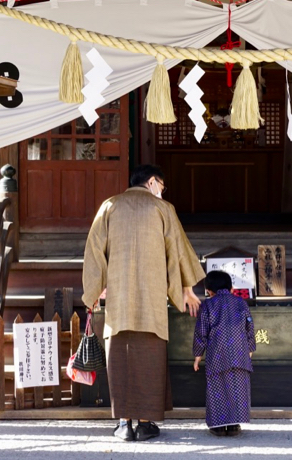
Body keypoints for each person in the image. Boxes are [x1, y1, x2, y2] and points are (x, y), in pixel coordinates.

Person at [82, 164, 205, 442]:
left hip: (119, 300)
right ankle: (147, 423)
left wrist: (97, 287)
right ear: (152, 182)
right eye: (162, 185)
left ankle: (124, 423)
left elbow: (94, 249)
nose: (163, 191)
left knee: (120, 357)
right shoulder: (164, 210)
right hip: (151, 299)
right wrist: (186, 289)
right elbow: (178, 250)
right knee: (150, 357)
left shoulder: (110, 206)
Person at [193, 270, 256, 437]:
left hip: (217, 354)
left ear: (209, 289)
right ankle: (235, 425)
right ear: (230, 287)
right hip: (240, 353)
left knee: (218, 387)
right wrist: (249, 349)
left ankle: (219, 426)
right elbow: (249, 327)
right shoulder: (241, 303)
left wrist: (198, 356)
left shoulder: (207, 305)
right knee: (238, 387)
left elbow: (201, 332)